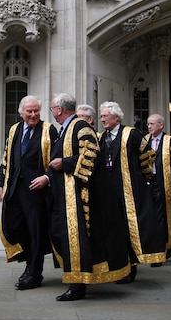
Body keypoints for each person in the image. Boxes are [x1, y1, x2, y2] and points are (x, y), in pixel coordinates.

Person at [43, 94, 130, 301]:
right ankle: (76, 279)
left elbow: (91, 153)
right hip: (64, 194)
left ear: (59, 109)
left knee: (76, 239)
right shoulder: (67, 127)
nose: (52, 112)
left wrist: (64, 163)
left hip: (77, 196)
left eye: (53, 108)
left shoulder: (80, 125)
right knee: (58, 233)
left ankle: (78, 285)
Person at [0, 96, 57, 290]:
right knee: (14, 226)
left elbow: (57, 160)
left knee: (36, 232)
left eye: (36, 111)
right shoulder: (15, 129)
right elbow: (6, 158)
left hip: (36, 192)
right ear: (21, 112)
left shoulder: (49, 130)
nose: (33, 115)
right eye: (29, 111)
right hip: (14, 189)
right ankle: (29, 263)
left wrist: (46, 178)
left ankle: (34, 272)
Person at [94, 102, 160, 284]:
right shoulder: (101, 137)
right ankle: (117, 265)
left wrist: (143, 181)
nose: (102, 119)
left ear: (116, 117)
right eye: (101, 116)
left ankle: (131, 269)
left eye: (105, 116)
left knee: (129, 229)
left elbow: (148, 158)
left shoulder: (131, 134)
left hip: (129, 191)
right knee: (113, 230)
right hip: (108, 193)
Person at [145, 113, 171, 258]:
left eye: (152, 124)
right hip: (149, 182)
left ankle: (166, 245)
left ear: (161, 125)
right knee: (151, 214)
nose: (149, 126)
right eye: (148, 124)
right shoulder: (145, 140)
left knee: (164, 214)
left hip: (165, 182)